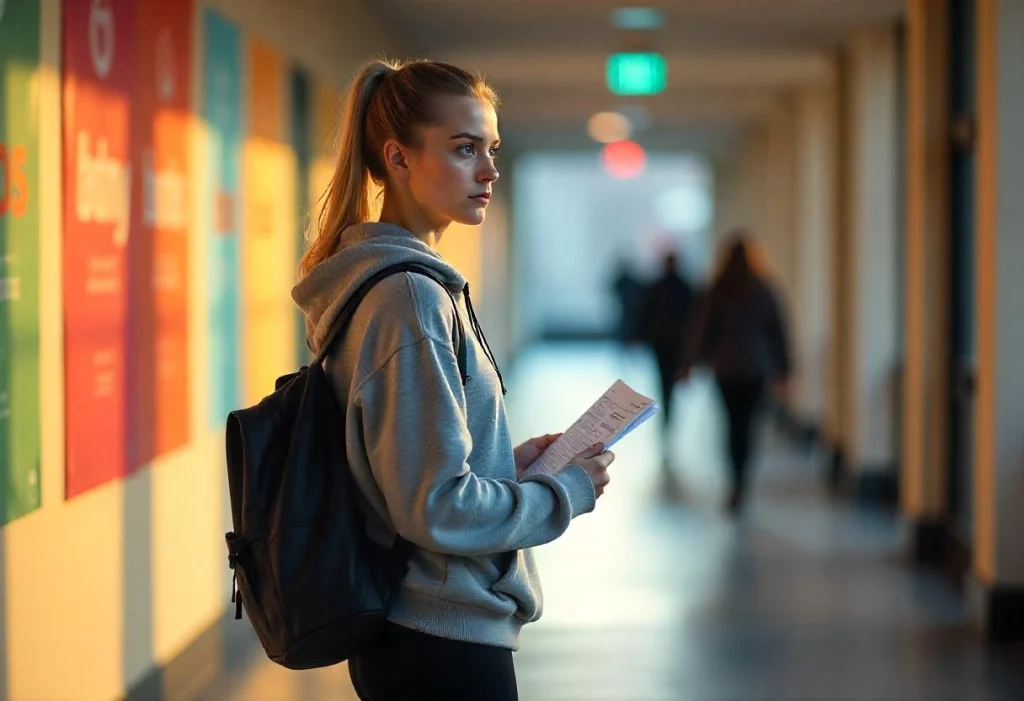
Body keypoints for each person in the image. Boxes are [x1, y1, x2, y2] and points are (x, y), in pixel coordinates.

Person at [291, 58, 615, 701]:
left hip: (429, 632)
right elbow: (436, 508)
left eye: (491, 149)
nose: (489, 170)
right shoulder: (409, 299)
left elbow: (417, 473)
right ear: (399, 158)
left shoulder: (405, 287)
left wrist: (507, 467)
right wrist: (562, 495)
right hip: (439, 641)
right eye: (465, 149)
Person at [681, 233, 791, 514]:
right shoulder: (765, 289)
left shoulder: (717, 289)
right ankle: (743, 478)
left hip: (726, 368)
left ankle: (735, 478)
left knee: (732, 425)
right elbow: (778, 333)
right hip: (757, 368)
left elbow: (702, 330)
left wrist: (690, 363)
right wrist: (784, 371)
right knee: (749, 426)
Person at [636, 251, 696, 441]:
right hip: (677, 344)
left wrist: (641, 336)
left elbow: (645, 315)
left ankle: (667, 419)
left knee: (664, 381)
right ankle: (669, 417)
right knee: (671, 382)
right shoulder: (685, 288)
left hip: (660, 344)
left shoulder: (656, 287)